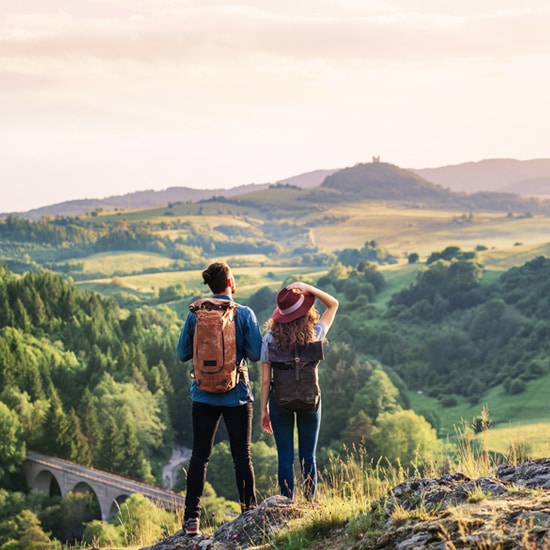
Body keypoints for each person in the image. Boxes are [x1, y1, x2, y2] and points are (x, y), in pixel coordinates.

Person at [176, 261, 262, 536]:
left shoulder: (195, 314)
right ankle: (249, 513)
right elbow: (257, 353)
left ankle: (191, 521)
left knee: (199, 456)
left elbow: (181, 354)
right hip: (236, 394)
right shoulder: (244, 313)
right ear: (230, 283)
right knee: (242, 456)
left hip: (202, 395)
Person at [260, 281, 338, 500]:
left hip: (279, 401)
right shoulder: (316, 333)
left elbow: (266, 381)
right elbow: (333, 305)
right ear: (305, 312)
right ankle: (310, 503)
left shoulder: (269, 339)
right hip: (310, 400)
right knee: (308, 456)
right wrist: (309, 288)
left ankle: (286, 503)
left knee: (285, 457)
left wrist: (264, 410)